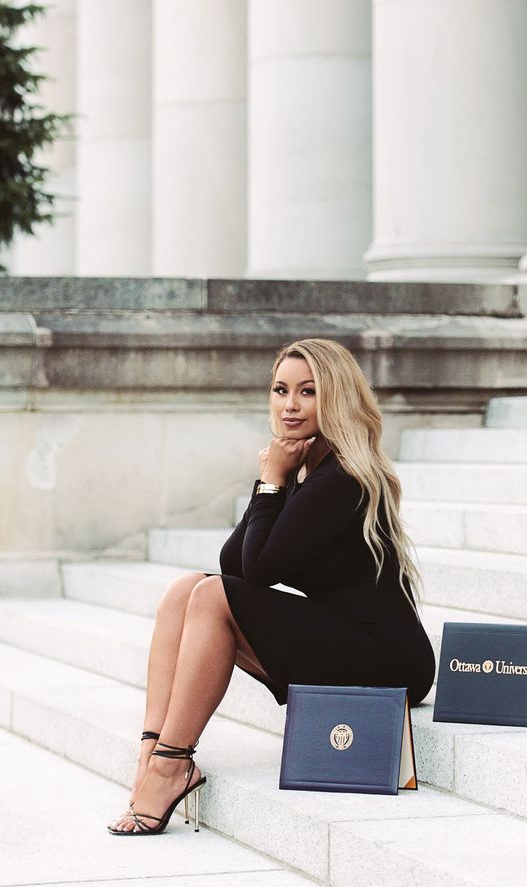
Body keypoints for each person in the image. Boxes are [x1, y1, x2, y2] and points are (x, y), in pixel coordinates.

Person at [108, 337, 436, 835]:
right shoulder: (308, 471)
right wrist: (275, 479)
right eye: (281, 390)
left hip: (390, 659)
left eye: (308, 392)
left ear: (336, 397)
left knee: (213, 596)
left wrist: (270, 481)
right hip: (345, 636)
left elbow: (254, 573)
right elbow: (233, 563)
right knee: (185, 590)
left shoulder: (344, 478)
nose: (290, 405)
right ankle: (151, 755)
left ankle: (173, 764)